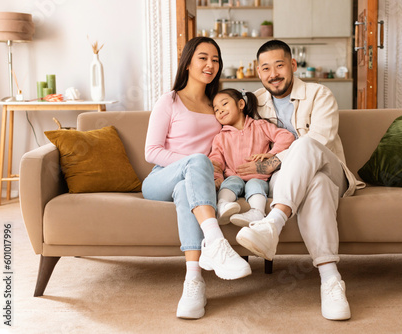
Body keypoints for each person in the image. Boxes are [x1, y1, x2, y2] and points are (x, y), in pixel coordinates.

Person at [234, 40, 363, 321]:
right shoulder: (254, 103)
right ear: (258, 72)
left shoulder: (320, 94)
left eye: (279, 65)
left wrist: (272, 161)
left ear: (292, 65)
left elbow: (319, 141)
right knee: (314, 185)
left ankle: (274, 224)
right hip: (298, 182)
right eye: (266, 68)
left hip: (332, 170)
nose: (273, 74)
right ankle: (331, 280)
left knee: (304, 146)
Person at [142, 37, 251, 320]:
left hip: (197, 183)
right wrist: (194, 164)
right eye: (203, 57)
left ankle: (194, 281)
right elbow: (151, 151)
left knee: (184, 190)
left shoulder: (218, 105)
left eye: (215, 59)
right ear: (188, 61)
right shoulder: (170, 100)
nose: (210, 64)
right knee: (193, 166)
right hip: (159, 179)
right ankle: (216, 243)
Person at [208, 88, 295, 226]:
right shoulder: (220, 137)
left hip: (258, 177)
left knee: (255, 185)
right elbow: (216, 160)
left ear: (241, 104)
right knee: (230, 183)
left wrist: (271, 155)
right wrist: (217, 178)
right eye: (216, 110)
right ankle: (223, 205)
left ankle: (257, 212)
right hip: (233, 177)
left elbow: (286, 137)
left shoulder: (260, 126)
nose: (220, 111)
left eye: (224, 104)